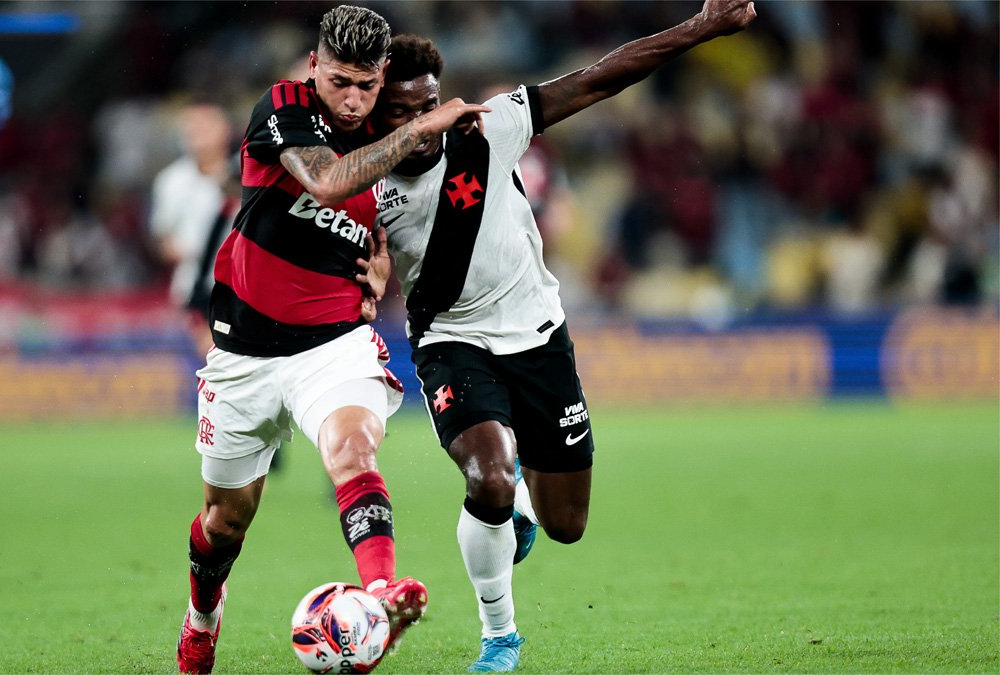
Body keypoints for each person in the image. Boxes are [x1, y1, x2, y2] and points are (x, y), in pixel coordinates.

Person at [366, 2, 756, 670]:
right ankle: (499, 636)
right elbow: (358, 256)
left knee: (566, 524)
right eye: (400, 112)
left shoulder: (490, 127)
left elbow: (598, 78)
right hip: (451, 341)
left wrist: (703, 26)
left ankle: (520, 484)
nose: (419, 124)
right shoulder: (364, 178)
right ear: (376, 114)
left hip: (538, 335)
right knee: (486, 478)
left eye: (426, 104)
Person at [174, 5, 490, 673]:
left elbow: (417, 229)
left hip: (333, 341)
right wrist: (420, 132)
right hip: (243, 354)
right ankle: (203, 612)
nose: (351, 99)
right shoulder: (283, 108)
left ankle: (379, 595)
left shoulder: (392, 134)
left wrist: (385, 264)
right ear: (314, 66)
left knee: (352, 447)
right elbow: (328, 179)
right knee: (224, 522)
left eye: (365, 85)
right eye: (339, 80)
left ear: (382, 79)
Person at [149, 101, 238, 358]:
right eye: (190, 127)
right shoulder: (171, 181)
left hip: (244, 283)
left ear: (225, 129)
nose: (196, 133)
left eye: (205, 125)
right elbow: (161, 239)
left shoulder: (246, 173)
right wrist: (177, 250)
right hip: (200, 287)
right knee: (216, 357)